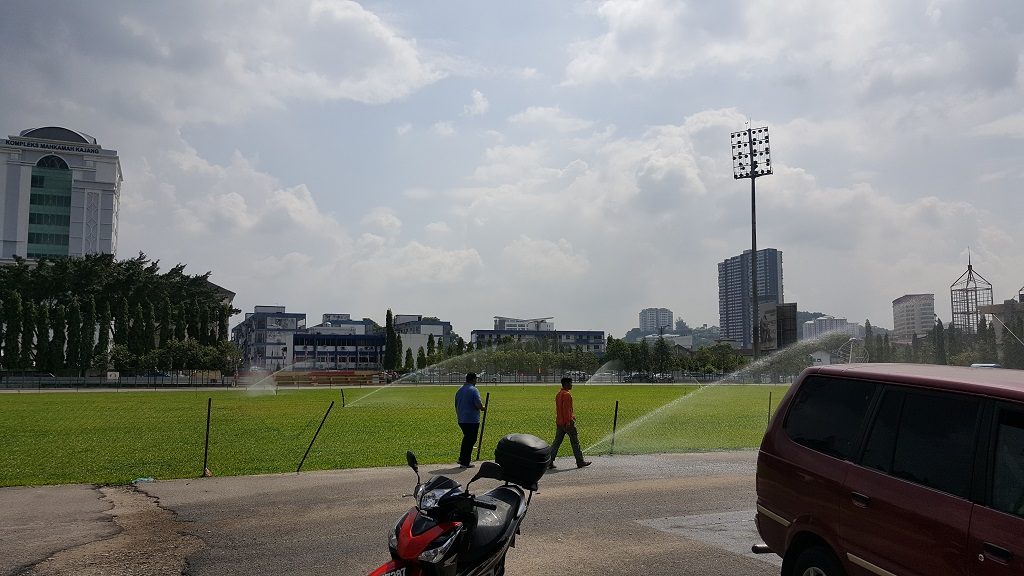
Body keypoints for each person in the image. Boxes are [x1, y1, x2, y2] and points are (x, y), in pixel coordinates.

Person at [548, 376, 592, 469]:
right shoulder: (567, 395)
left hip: (559, 422)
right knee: (575, 443)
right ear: (566, 384)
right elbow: (567, 410)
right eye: (570, 383)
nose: (572, 385)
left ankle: (549, 461)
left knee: (556, 443)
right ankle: (580, 461)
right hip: (567, 423)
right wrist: (568, 422)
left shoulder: (559, 394)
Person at [454, 372, 485, 468]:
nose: (476, 381)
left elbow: (456, 404)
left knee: (467, 439)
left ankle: (462, 458)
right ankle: (465, 462)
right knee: (471, 439)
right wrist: (483, 408)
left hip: (462, 419)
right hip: (471, 420)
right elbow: (478, 405)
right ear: (472, 379)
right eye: (476, 379)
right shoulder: (474, 390)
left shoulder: (460, 390)